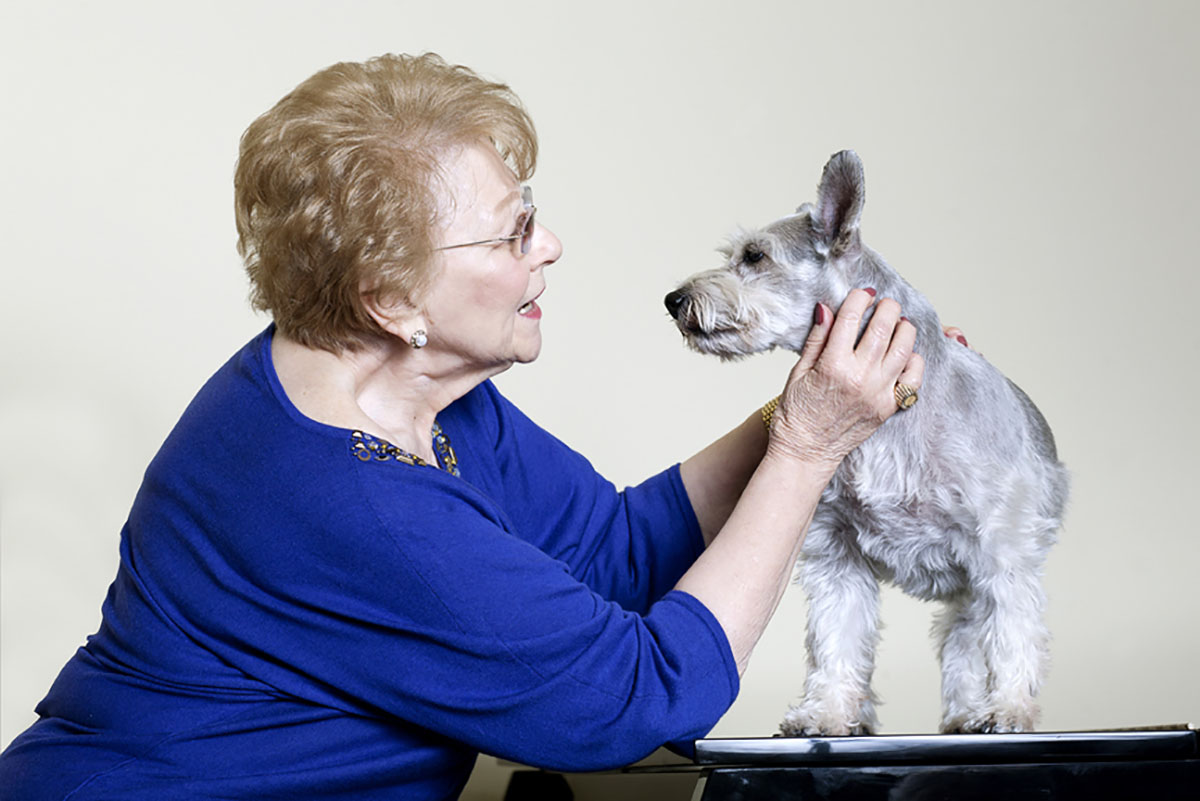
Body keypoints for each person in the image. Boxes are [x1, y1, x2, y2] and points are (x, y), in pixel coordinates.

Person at [0, 53, 923, 800]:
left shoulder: (414, 393)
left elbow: (615, 551)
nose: (550, 245)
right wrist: (808, 446)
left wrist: (810, 397)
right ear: (392, 296)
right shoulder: (351, 497)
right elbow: (639, 697)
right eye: (511, 234)